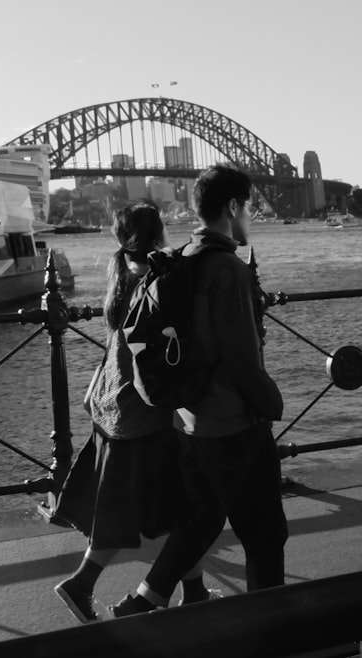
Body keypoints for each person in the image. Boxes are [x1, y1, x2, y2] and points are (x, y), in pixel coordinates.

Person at [111, 164, 286, 616]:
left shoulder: (184, 257)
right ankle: (270, 631)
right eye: (248, 206)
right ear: (232, 207)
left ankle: (142, 603)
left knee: (203, 517)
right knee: (266, 534)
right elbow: (241, 358)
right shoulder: (226, 268)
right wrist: (271, 401)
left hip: (190, 419)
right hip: (234, 423)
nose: (249, 215)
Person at [53, 202, 215, 622]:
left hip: (112, 402)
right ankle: (80, 584)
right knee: (153, 511)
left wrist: (93, 391)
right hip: (141, 411)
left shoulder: (120, 271)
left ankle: (195, 590)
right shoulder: (159, 274)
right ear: (159, 231)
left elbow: (114, 346)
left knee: (171, 508)